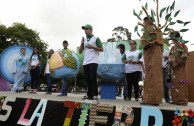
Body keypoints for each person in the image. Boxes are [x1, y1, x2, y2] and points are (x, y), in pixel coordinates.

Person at [140, 17, 163, 106]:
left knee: (150, 78)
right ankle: (154, 99)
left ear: (146, 22)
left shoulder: (148, 31)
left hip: (152, 58)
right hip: (156, 58)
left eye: (144, 22)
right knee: (154, 78)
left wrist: (142, 41)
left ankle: (150, 100)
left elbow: (143, 45)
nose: (144, 23)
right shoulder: (158, 31)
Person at [79, 24, 103, 100]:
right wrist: (81, 43)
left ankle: (95, 94)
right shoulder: (84, 39)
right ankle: (89, 95)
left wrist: (92, 47)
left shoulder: (96, 38)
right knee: (87, 79)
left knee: (93, 78)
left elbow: (101, 49)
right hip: (86, 62)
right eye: (84, 29)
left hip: (93, 61)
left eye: (86, 29)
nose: (85, 31)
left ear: (90, 30)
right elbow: (80, 51)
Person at [169, 32, 188, 106]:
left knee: (182, 84)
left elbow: (184, 57)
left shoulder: (183, 46)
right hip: (173, 70)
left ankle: (182, 101)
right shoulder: (172, 47)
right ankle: (175, 100)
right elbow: (170, 56)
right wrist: (170, 62)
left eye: (173, 38)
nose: (172, 40)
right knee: (173, 84)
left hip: (181, 69)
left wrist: (177, 64)